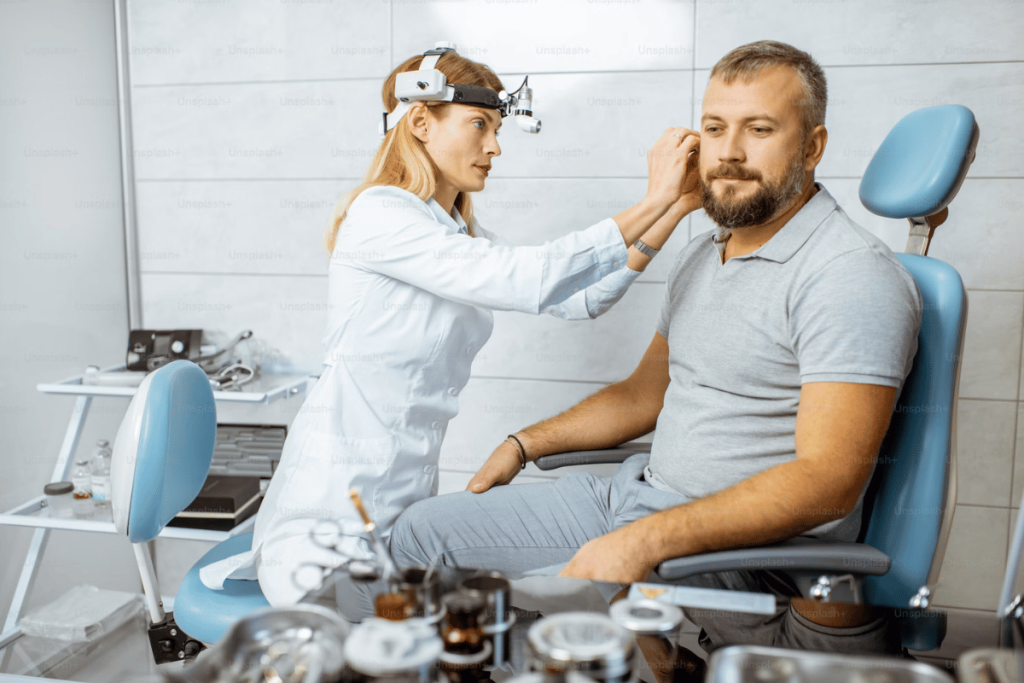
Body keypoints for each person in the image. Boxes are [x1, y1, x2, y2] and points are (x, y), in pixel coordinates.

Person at [380, 40, 924, 656]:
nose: (730, 152)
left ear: (813, 146)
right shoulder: (705, 251)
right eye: (715, 128)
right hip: (637, 495)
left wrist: (647, 541)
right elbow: (645, 393)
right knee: (420, 537)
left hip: (729, 547)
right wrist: (525, 442)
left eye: (760, 129)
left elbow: (828, 481)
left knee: (548, 617)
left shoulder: (848, 275)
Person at [198, 47, 701, 605]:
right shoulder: (381, 216)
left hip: (401, 506)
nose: (495, 146)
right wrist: (651, 197)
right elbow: (531, 279)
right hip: (332, 516)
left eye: (498, 128)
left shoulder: (454, 234)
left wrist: (674, 209)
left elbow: (582, 298)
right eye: (480, 125)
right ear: (420, 120)